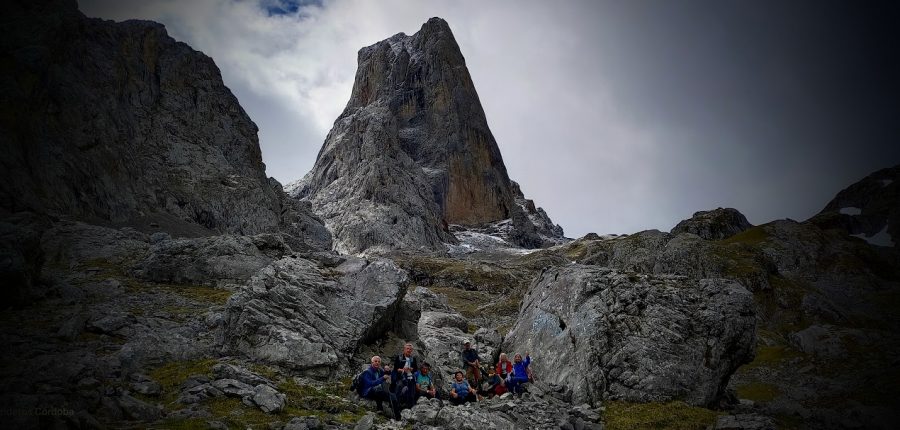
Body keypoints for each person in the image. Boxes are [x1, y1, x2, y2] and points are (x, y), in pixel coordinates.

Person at [392, 343, 419, 408]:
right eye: (407, 349)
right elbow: (395, 369)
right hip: (401, 377)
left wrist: (411, 369)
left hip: (410, 377)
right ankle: (396, 405)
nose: (409, 350)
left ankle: (410, 406)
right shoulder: (399, 357)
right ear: (404, 349)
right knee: (399, 387)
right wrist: (403, 370)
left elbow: (415, 369)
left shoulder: (413, 359)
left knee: (412, 392)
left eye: (410, 349)